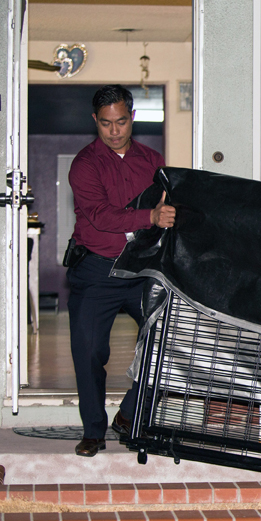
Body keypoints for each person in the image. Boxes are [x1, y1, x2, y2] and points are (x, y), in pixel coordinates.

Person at [67, 84, 176, 457]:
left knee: (167, 341)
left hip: (141, 271)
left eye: (121, 122)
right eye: (105, 124)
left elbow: (167, 206)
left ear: (132, 117)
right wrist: (149, 216)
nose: (114, 131)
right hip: (97, 271)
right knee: (89, 351)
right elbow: (99, 217)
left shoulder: (152, 160)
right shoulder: (84, 164)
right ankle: (93, 431)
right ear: (95, 122)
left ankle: (129, 414)